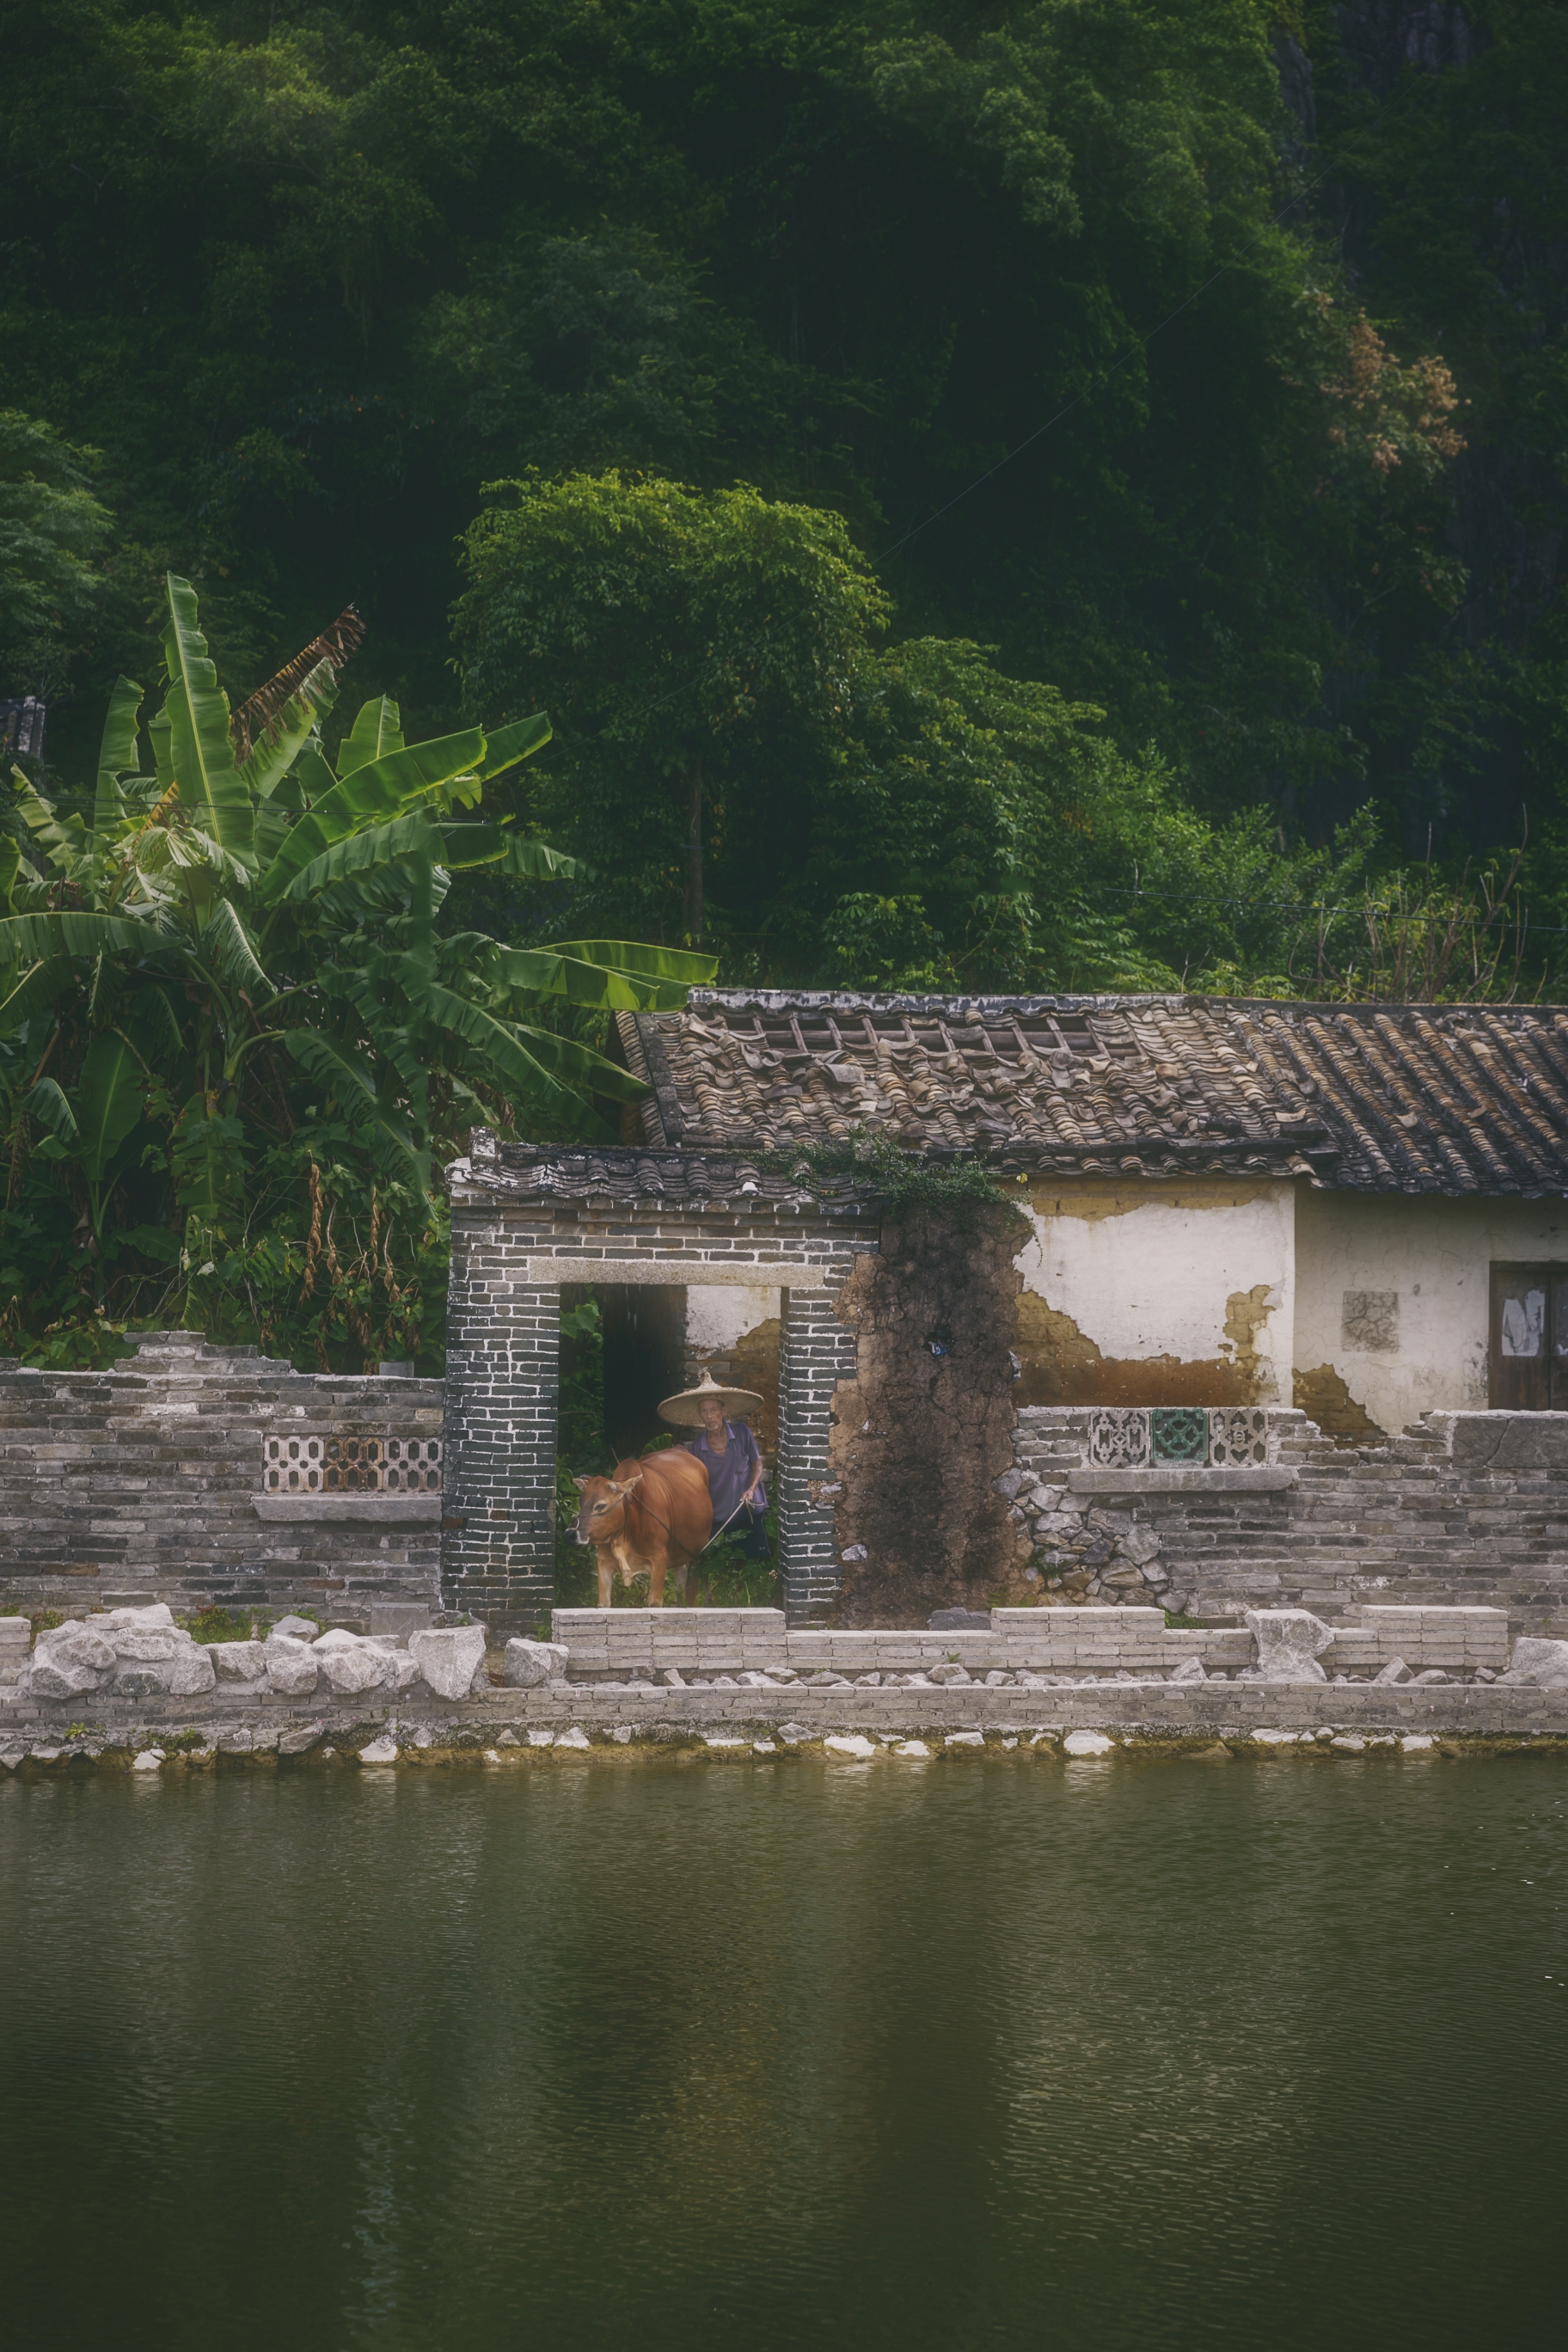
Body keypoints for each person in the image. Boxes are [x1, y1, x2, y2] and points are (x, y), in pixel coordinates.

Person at [658, 1369, 770, 1559]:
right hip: (719, 1518)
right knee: (719, 1566)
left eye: (714, 1410)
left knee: (757, 1562)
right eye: (704, 1411)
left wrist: (751, 1489)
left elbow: (757, 1464)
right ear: (700, 1415)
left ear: (723, 1411)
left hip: (748, 1512)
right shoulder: (698, 1448)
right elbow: (695, 1486)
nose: (709, 1416)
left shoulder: (742, 1433)